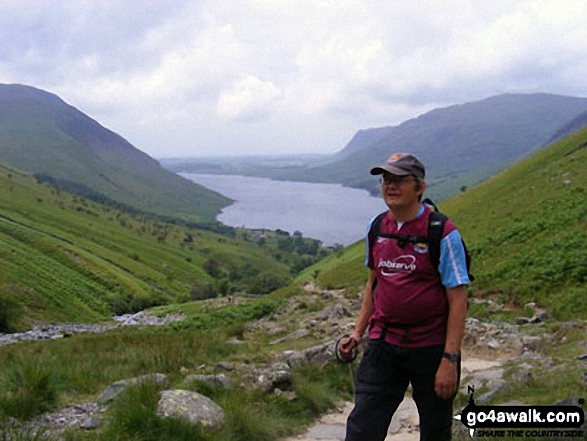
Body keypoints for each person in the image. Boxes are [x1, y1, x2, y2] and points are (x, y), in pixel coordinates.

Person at [341, 152, 469, 441]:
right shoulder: (377, 228)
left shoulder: (442, 232)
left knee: (436, 431)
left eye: (400, 180)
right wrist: (358, 332)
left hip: (431, 348)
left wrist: (450, 359)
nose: (391, 185)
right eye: (386, 179)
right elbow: (374, 284)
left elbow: (458, 298)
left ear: (420, 187)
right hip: (384, 344)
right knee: (362, 428)